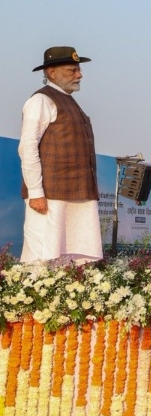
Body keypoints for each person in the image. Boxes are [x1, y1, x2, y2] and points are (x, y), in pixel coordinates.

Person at [18, 47, 103, 263]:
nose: (79, 75)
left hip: (78, 194)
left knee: (74, 257)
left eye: (78, 69)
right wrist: (36, 192)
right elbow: (27, 147)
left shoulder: (69, 101)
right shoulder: (41, 100)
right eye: (72, 70)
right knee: (42, 257)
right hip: (50, 196)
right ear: (52, 72)